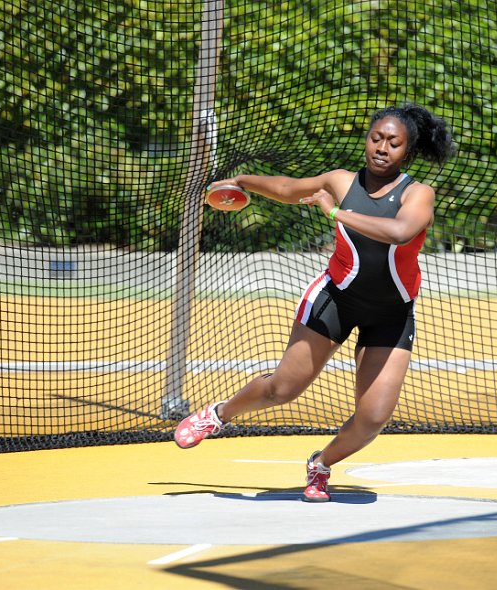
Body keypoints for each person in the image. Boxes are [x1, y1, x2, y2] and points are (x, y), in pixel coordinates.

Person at [174, 103, 455, 502]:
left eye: (393, 143)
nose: (382, 147)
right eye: (376, 138)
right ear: (366, 140)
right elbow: (288, 189)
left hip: (391, 314)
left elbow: (399, 231)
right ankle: (218, 416)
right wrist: (241, 180)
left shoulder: (418, 193)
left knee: (373, 419)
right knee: (282, 390)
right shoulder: (341, 181)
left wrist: (337, 213)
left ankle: (320, 465)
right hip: (336, 298)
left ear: (406, 153)